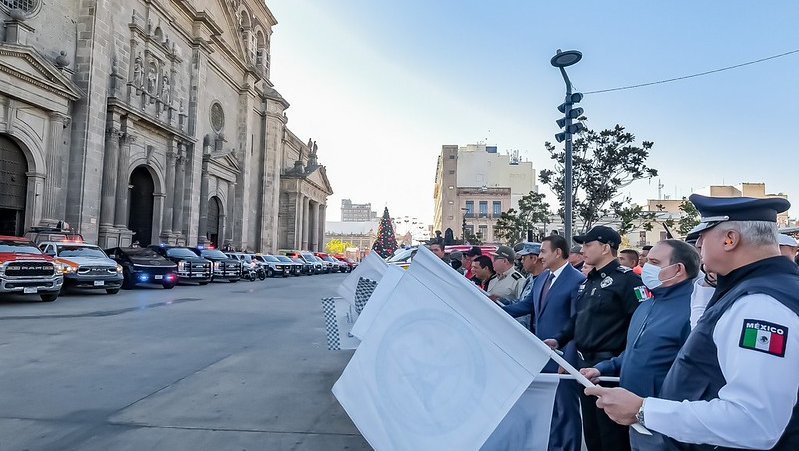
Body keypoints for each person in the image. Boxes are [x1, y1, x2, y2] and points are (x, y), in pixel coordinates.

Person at [585, 194, 799, 450]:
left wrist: (644, 410)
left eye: (703, 235)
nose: (698, 245)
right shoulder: (755, 290)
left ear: (730, 239)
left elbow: (754, 421)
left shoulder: (760, 305)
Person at [580, 239, 700, 450]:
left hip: (665, 423)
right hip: (635, 418)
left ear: (678, 269)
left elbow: (695, 373)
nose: (645, 268)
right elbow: (636, 351)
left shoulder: (694, 311)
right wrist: (602, 368)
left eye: (654, 262)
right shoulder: (647, 305)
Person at [544, 225, 644, 451]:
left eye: (588, 245)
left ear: (606, 248)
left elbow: (641, 322)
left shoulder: (627, 280)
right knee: (592, 432)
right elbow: (578, 318)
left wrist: (621, 360)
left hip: (609, 367)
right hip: (584, 365)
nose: (583, 249)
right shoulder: (589, 280)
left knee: (612, 435)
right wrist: (558, 339)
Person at [502, 235, 586, 451]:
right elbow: (525, 306)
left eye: (543, 252)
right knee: (550, 409)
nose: (540, 256)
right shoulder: (542, 279)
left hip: (563, 357)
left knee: (566, 409)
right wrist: (495, 310)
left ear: (558, 253)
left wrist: (568, 358)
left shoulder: (577, 280)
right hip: (541, 353)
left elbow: (577, 324)